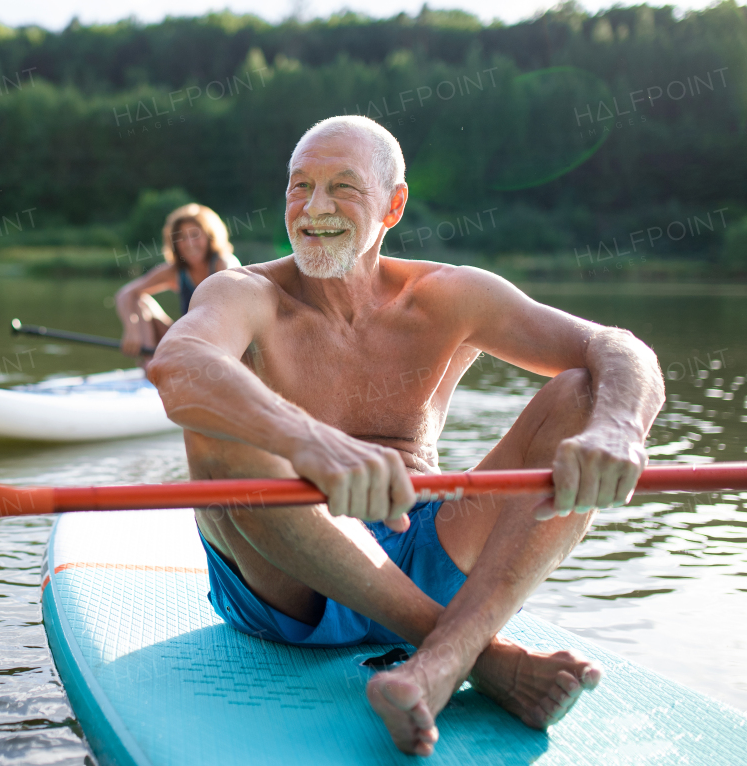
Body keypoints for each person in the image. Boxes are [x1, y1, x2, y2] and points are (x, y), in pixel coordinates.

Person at [145, 116, 663, 757]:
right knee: (214, 427)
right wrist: (310, 442)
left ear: (394, 205)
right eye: (299, 187)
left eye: (343, 188)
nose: (314, 208)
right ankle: (476, 653)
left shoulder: (448, 296)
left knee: (585, 394)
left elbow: (615, 346)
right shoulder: (245, 293)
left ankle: (438, 661)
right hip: (288, 582)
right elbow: (179, 366)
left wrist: (618, 427)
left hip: (422, 546)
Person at [116, 203, 241, 358]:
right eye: (182, 237)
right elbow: (125, 293)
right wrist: (132, 330)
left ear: (209, 237)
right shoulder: (175, 271)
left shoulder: (224, 264)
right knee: (140, 301)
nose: (189, 243)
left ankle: (157, 363)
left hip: (223, 348)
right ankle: (149, 359)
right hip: (188, 345)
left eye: (195, 235)